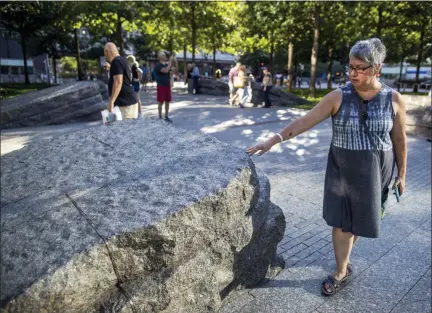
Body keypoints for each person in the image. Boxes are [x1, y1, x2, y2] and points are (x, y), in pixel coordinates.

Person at [247, 38, 407, 297]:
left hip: (378, 170)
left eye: (360, 68)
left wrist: (401, 174)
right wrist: (272, 140)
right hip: (344, 170)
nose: (353, 73)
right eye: (350, 67)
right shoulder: (338, 97)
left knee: (362, 222)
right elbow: (304, 121)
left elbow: (399, 139)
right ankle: (341, 271)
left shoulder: (394, 99)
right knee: (344, 223)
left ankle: (344, 258)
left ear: (377, 68)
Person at [104, 42, 138, 120]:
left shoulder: (116, 62)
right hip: (128, 102)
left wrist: (111, 102)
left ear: (107, 51)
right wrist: (111, 68)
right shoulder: (121, 60)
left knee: (125, 130)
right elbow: (123, 76)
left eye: (104, 53)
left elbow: (118, 82)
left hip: (125, 104)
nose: (105, 56)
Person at [154, 51, 175, 122]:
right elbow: (165, 71)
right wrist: (170, 61)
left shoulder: (166, 65)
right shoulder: (158, 65)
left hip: (167, 86)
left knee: (168, 101)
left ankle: (166, 116)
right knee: (161, 102)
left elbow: (172, 72)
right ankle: (160, 117)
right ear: (159, 57)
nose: (165, 56)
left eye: (165, 55)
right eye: (163, 55)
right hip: (161, 86)